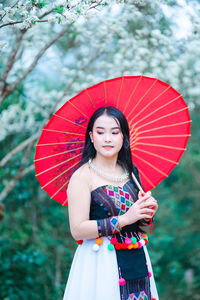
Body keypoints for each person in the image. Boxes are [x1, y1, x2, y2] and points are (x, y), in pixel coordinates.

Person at [63, 106, 159, 300]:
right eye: (100, 132)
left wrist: (147, 210)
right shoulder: (82, 177)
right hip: (101, 262)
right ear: (91, 136)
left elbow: (136, 217)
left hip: (136, 256)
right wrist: (124, 219)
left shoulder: (131, 171)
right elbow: (78, 229)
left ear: (123, 136)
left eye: (115, 132)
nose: (107, 138)